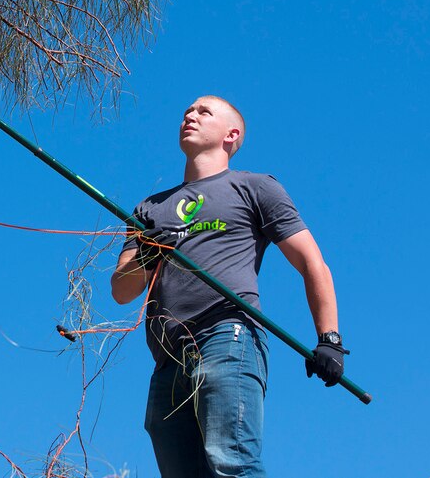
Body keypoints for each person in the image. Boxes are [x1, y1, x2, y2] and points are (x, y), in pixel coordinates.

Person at [111, 96, 346, 478]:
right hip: (168, 354)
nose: (190, 115)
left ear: (231, 134)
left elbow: (311, 262)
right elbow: (121, 291)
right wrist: (149, 254)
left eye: (204, 112)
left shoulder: (254, 188)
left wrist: (329, 339)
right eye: (187, 110)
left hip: (226, 334)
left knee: (231, 463)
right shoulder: (149, 209)